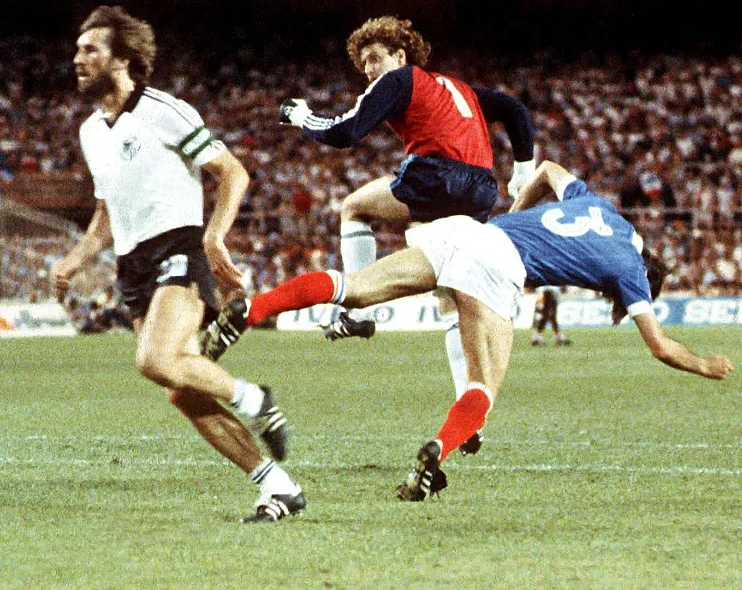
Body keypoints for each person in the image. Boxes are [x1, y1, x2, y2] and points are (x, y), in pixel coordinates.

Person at [199, 159, 734, 502]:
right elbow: (660, 346)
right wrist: (706, 365)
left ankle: (252, 309)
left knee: (353, 288)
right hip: (499, 265)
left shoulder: (600, 207)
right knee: (484, 387)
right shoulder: (633, 270)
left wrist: (512, 214)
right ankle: (440, 448)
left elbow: (548, 168)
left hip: (464, 231)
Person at [214, 17, 534, 457]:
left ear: (400, 55)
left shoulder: (400, 79)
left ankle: (356, 310)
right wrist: (523, 170)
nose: (368, 69)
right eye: (363, 63)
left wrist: (301, 116)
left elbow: (344, 132)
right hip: (481, 189)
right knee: (450, 292)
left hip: (436, 177)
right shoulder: (459, 89)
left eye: (374, 58)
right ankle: (468, 419)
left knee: (354, 207)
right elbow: (514, 109)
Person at [52, 6, 305, 523]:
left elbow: (232, 173)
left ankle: (254, 398)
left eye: (90, 49)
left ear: (122, 59)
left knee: (154, 360)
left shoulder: (164, 110)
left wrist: (214, 237)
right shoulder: (90, 131)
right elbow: (106, 215)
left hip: (178, 248)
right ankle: (278, 487)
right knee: (181, 392)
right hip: (132, 265)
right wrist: (72, 261)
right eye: (77, 49)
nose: (78, 58)